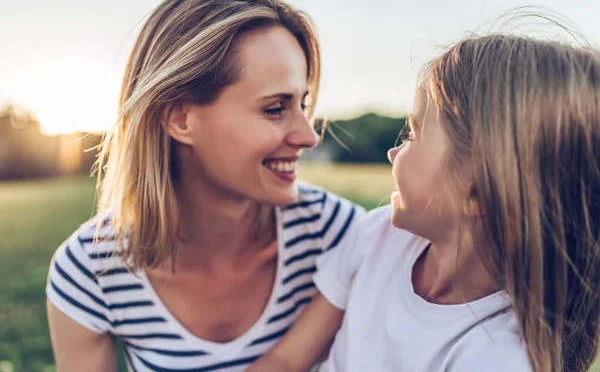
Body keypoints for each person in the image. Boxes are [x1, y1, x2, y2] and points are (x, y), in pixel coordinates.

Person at [45, 0, 364, 372]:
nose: (309, 135)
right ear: (180, 118)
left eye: (303, 104)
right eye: (275, 108)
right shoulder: (90, 270)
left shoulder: (342, 236)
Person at [249, 32, 600, 372]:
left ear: (477, 192)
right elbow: (285, 361)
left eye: (413, 135)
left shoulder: (495, 357)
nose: (393, 151)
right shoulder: (378, 234)